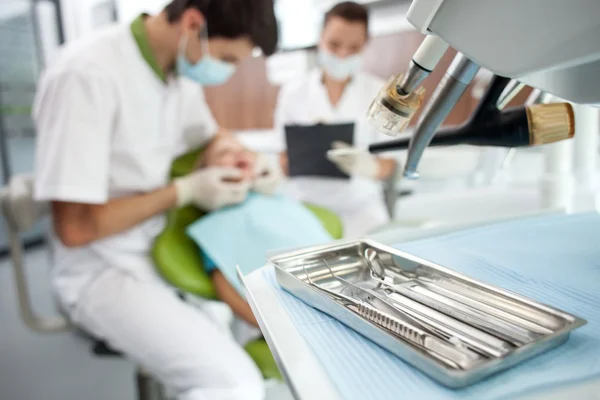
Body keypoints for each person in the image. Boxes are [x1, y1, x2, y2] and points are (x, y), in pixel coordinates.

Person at [33, 1, 280, 399]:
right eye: (227, 58)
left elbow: (210, 136)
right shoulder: (86, 74)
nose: (227, 71)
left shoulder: (177, 71)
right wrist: (184, 191)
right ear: (193, 23)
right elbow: (75, 228)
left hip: (160, 248)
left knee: (251, 328)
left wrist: (241, 156)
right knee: (233, 384)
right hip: (102, 269)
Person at [275, 1, 396, 238]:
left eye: (353, 48)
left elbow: (390, 164)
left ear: (365, 45)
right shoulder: (293, 93)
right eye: (334, 44)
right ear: (320, 38)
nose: (342, 54)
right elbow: (283, 159)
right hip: (306, 204)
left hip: (361, 207)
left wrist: (369, 167)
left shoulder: (381, 93)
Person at [188, 136, 330, 331]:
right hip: (297, 319)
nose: (239, 153)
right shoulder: (217, 225)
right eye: (224, 153)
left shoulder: (279, 200)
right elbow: (226, 287)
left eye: (244, 150)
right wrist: (275, 331)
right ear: (205, 176)